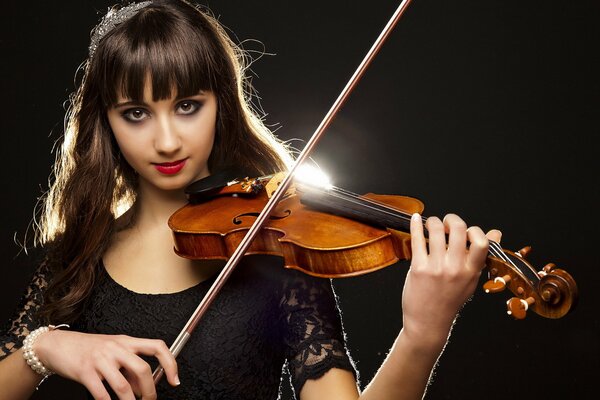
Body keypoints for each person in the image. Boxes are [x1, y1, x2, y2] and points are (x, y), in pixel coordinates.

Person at [0, 1, 500, 399]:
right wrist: (43, 347)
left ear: (221, 103)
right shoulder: (79, 253)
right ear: (105, 122)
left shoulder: (276, 256)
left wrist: (422, 334)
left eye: (188, 106)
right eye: (136, 113)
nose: (168, 140)